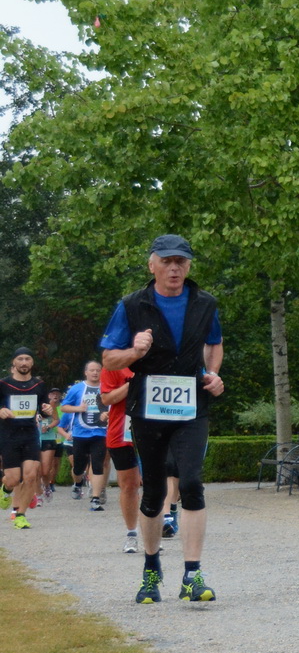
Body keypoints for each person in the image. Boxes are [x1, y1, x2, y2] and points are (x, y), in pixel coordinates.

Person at [100, 235, 225, 605]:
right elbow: (109, 360)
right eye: (167, 261)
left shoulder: (205, 303)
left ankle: (192, 574)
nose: (174, 268)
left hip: (191, 404)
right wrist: (134, 351)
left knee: (191, 482)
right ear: (152, 265)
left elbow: (214, 342)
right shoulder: (131, 305)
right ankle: (151, 568)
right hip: (148, 407)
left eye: (181, 262)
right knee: (153, 491)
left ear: (188, 266)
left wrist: (214, 374)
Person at [0, 348, 49, 528]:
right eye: (20, 359)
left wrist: (47, 411)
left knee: (30, 475)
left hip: (29, 435)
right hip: (9, 435)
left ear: (32, 363)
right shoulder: (3, 384)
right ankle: (5, 489)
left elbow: (43, 410)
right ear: (14, 363)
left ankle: (20, 515)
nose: (23, 362)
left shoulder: (39, 385)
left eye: (27, 359)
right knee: (13, 479)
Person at [100, 365, 142, 553]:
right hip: (122, 432)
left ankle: (154, 532)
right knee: (129, 485)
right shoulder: (115, 364)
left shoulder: (162, 359)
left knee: (156, 483)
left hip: (155, 428)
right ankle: (131, 534)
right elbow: (107, 398)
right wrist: (135, 382)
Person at [63, 360, 110, 512]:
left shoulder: (107, 388)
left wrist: (107, 414)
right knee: (79, 467)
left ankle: (95, 499)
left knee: (98, 465)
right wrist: (79, 408)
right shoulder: (77, 389)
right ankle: (77, 483)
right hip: (80, 434)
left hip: (100, 433)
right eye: (92, 370)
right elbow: (64, 407)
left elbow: (114, 406)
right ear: (86, 372)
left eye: (98, 370)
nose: (95, 373)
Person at [37, 386, 61, 503]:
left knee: (45, 471)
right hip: (33, 438)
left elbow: (57, 420)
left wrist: (48, 427)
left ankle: (46, 486)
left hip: (48, 438)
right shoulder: (27, 404)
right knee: (35, 469)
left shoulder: (49, 405)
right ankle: (38, 495)